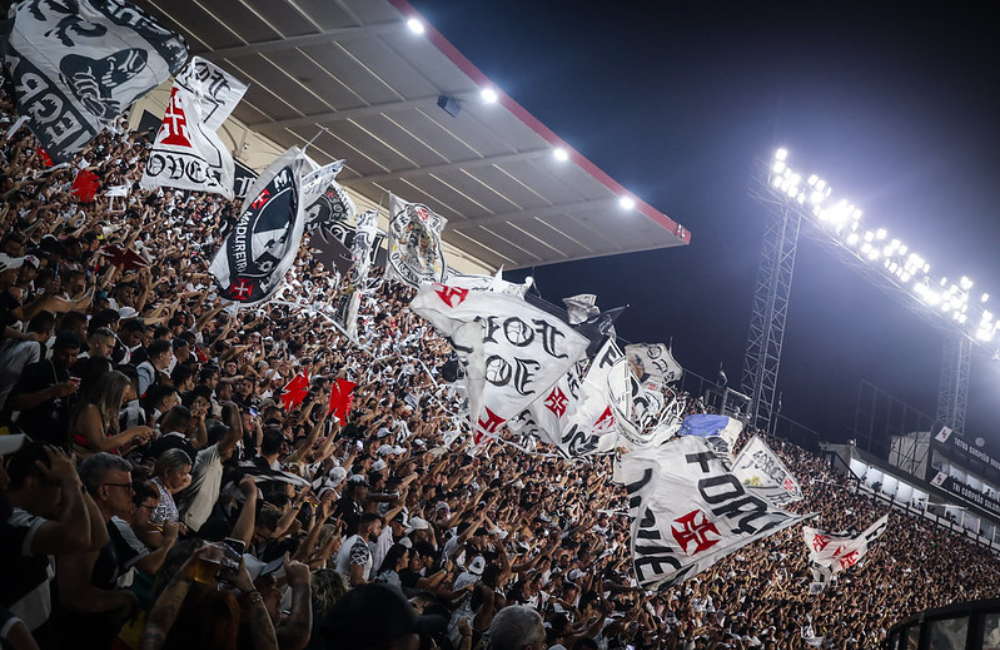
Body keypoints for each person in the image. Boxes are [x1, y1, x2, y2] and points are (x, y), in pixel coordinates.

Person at [0, 443, 101, 647]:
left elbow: (97, 538)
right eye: (60, 484)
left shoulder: (42, 520)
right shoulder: (12, 522)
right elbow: (80, 538)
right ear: (32, 484)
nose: (67, 496)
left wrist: (75, 483)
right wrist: (71, 482)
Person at [54, 453, 141, 650]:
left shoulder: (105, 524)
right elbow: (74, 596)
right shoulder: (83, 529)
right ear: (104, 491)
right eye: (127, 487)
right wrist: (123, 598)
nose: (133, 493)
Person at [5, 330, 81, 446]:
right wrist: (50, 392)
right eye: (64, 354)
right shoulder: (37, 370)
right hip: (29, 438)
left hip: (56, 443)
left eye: (74, 355)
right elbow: (14, 403)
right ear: (54, 348)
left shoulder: (72, 377)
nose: (69, 359)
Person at [71, 370, 154, 458]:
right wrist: (134, 431)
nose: (125, 400)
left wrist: (132, 443)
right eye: (123, 395)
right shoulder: (91, 409)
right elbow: (100, 446)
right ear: (113, 393)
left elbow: (112, 453)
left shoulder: (113, 416)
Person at [334, 512, 382, 588]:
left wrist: (371, 583)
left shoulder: (351, 539)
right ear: (369, 529)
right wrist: (373, 587)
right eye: (378, 528)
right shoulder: (360, 546)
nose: (380, 531)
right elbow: (356, 580)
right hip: (346, 593)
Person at [148, 450, 192, 530]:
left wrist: (176, 525)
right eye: (183, 474)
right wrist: (174, 527)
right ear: (167, 471)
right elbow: (142, 524)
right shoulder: (153, 489)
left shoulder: (166, 489)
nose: (185, 479)